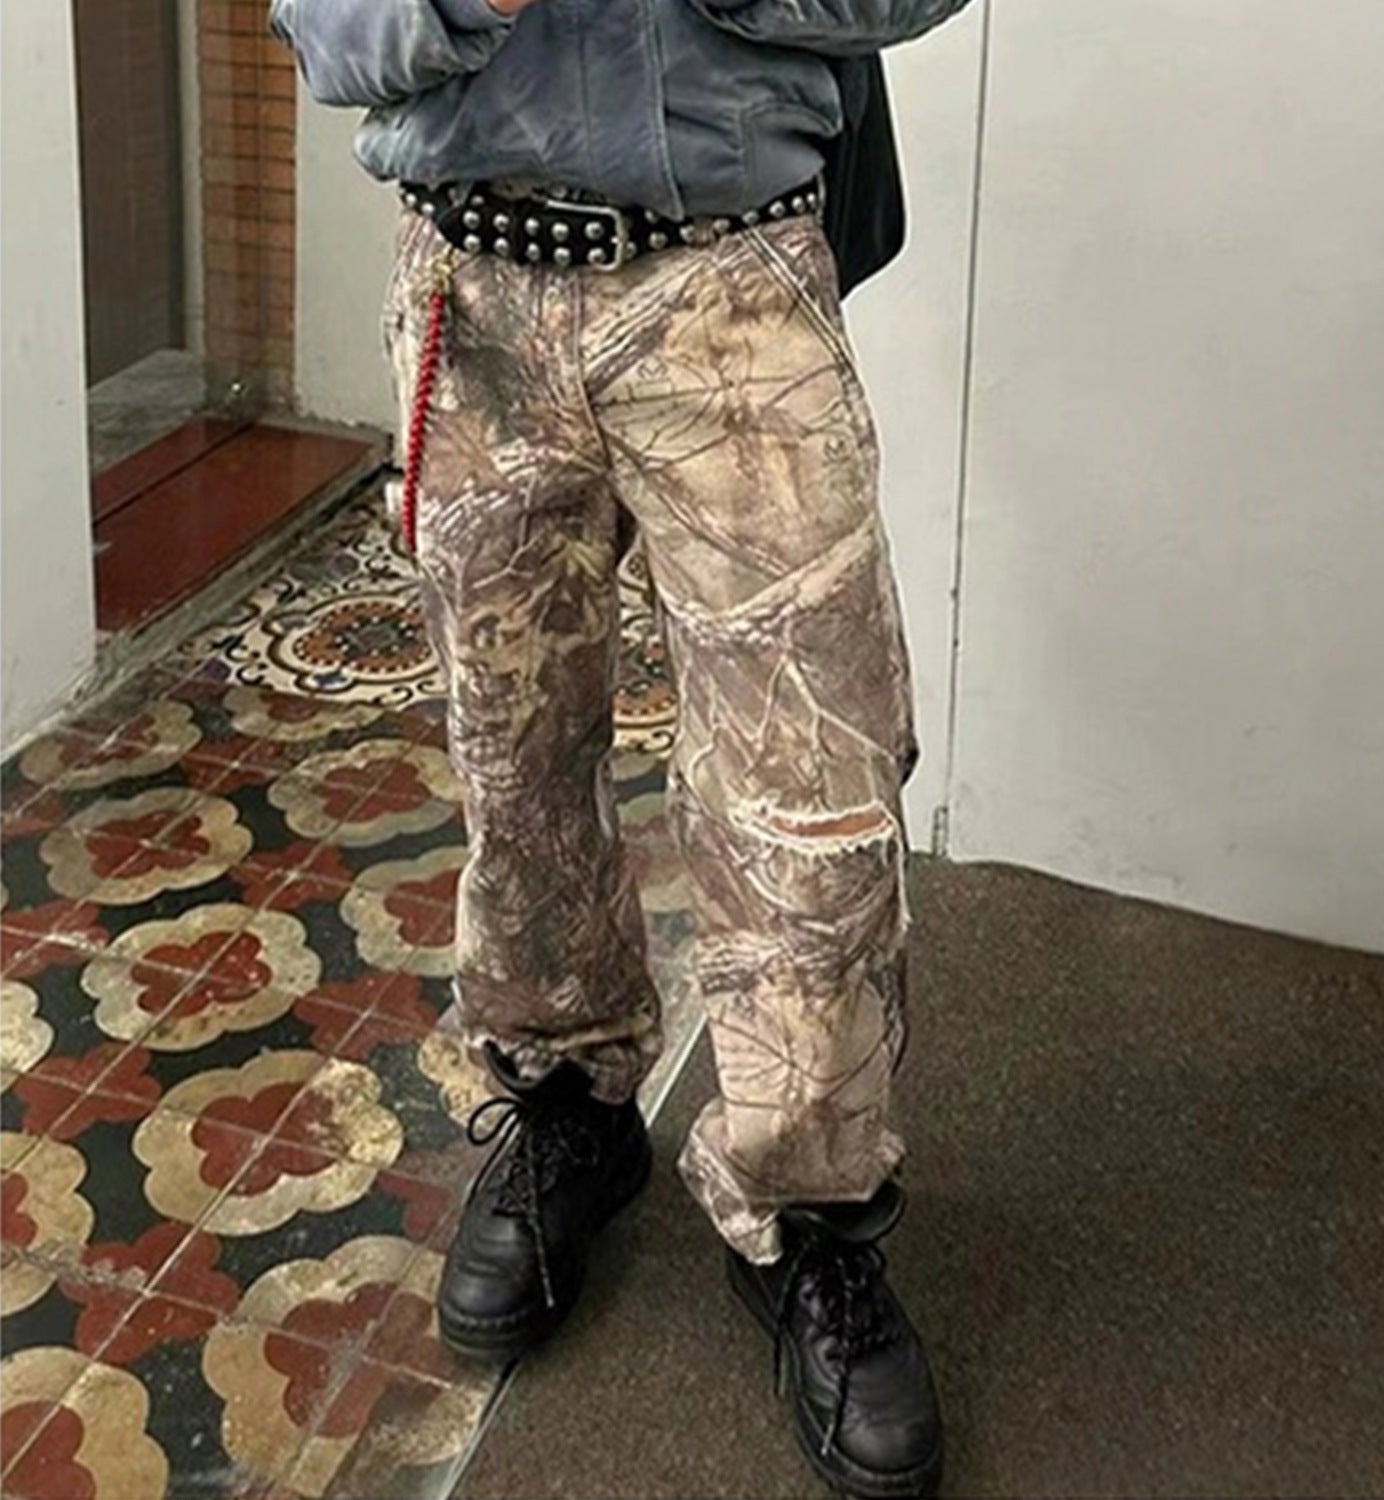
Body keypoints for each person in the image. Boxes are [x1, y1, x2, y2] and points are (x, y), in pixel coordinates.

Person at [270, 0, 971, 1491]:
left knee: (812, 803)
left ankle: (806, 1212)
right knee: (515, 768)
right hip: (471, 306)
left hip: (732, 297)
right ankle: (568, 1106)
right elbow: (322, 29)